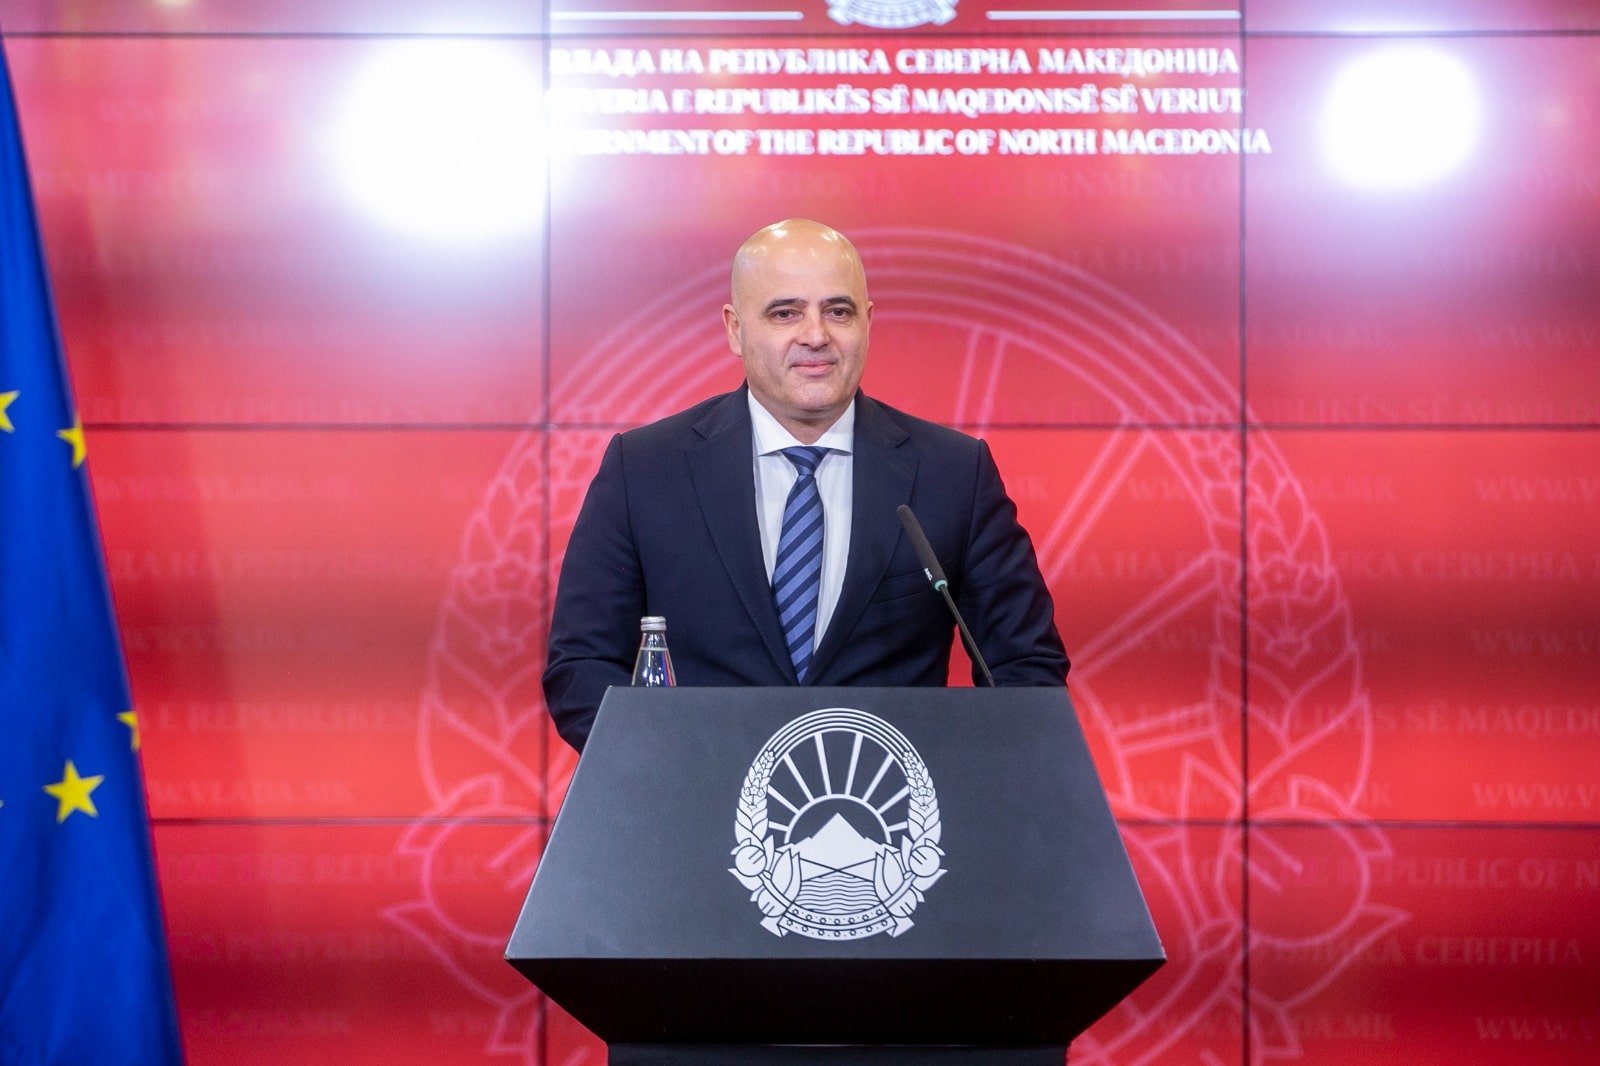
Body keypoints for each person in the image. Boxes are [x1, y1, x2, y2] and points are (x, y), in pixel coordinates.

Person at [543, 219, 1068, 751]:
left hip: (889, 798)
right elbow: (581, 667)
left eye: (838, 311)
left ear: (868, 322)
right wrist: (676, 771)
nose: (816, 335)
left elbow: (1026, 668)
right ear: (735, 329)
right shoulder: (645, 469)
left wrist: (946, 778)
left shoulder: (953, 472)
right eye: (785, 313)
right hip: (695, 792)